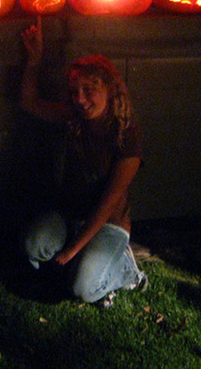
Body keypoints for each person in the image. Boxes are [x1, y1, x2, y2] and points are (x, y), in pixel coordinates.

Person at [19, 16, 147, 307]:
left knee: (84, 289)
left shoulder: (127, 136)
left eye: (90, 89)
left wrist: (69, 253)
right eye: (75, 90)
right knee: (33, 245)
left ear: (110, 89)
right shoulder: (73, 120)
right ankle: (81, 264)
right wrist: (34, 60)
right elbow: (29, 103)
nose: (80, 98)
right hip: (69, 216)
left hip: (108, 223)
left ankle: (127, 271)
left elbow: (108, 203)